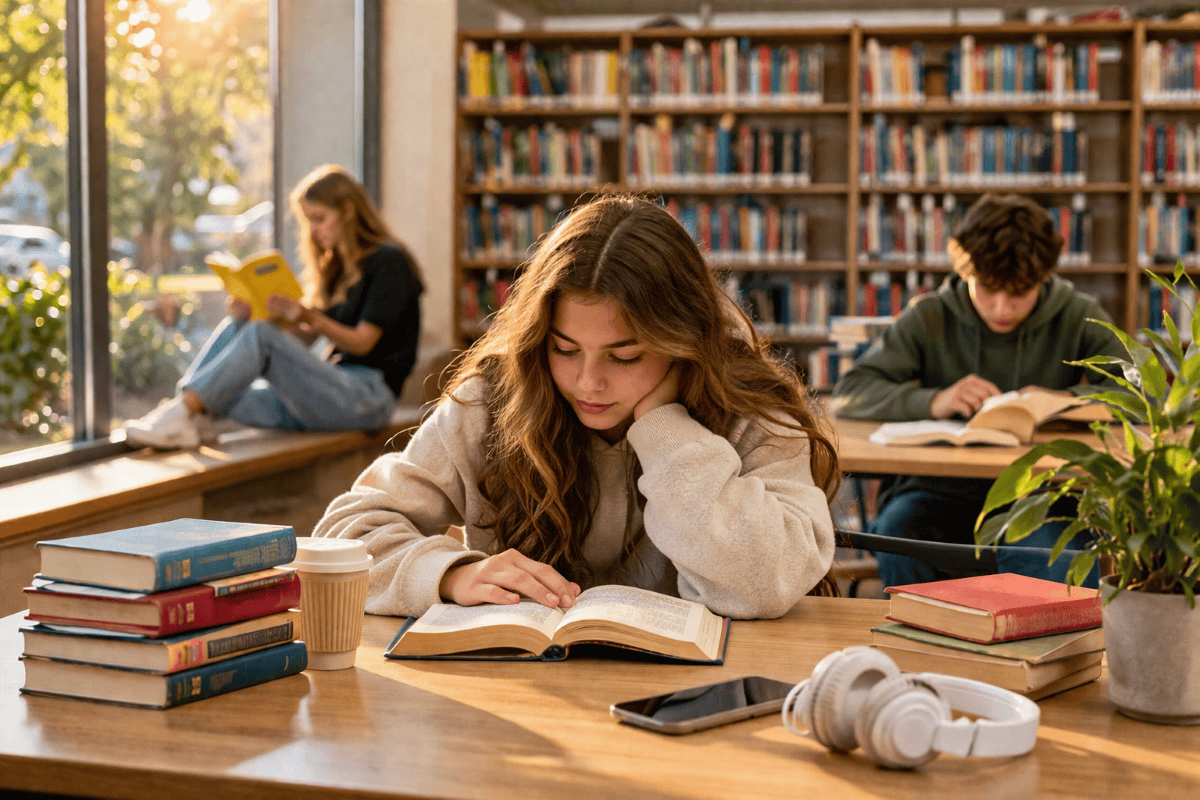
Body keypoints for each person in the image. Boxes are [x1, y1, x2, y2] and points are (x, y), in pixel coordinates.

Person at [312, 194, 839, 620]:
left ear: (685, 343)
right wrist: (450, 574)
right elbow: (344, 534)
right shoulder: (500, 394)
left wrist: (665, 429)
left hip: (695, 700)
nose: (588, 382)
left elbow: (766, 582)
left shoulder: (751, 412)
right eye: (564, 349)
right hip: (528, 698)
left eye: (625, 355)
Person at [831, 193, 1126, 589]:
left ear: (1044, 278)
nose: (1002, 308)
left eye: (1020, 292)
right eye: (987, 289)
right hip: (937, 489)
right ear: (965, 270)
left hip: (1042, 492)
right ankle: (923, 642)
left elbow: (1142, 396)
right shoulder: (930, 314)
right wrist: (934, 400)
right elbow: (851, 391)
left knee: (1057, 552)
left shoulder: (1076, 313)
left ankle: (1050, 648)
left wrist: (1064, 404)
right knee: (900, 532)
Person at [124, 164, 423, 449]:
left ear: (347, 211)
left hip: (368, 398)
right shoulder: (338, 269)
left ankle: (178, 415)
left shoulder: (389, 262)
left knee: (258, 337)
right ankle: (190, 417)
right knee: (229, 364)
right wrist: (268, 315)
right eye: (309, 222)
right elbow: (305, 338)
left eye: (319, 218)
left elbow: (362, 343)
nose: (314, 231)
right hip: (328, 396)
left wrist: (310, 317)